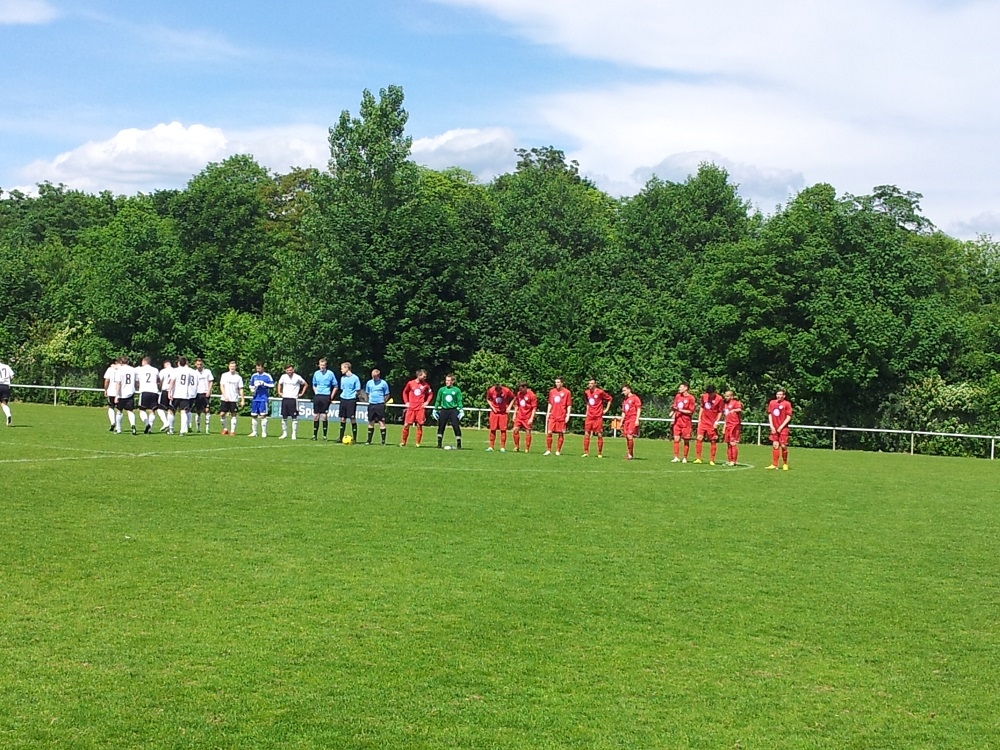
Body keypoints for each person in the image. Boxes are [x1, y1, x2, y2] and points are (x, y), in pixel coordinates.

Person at [400, 369, 433, 447]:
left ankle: (418, 443)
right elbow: (405, 392)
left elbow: (430, 394)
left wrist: (427, 402)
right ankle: (403, 442)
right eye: (424, 376)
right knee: (406, 425)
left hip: (420, 408)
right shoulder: (410, 383)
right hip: (411, 407)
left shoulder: (425, 385)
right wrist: (406, 402)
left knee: (419, 425)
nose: (425, 378)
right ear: (419, 375)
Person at [581, 378, 612, 458]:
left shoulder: (600, 392)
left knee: (599, 434)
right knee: (586, 433)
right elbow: (588, 402)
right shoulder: (586, 392)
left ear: (595, 384)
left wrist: (606, 409)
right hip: (589, 416)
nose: (590, 385)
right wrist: (587, 411)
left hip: (598, 416)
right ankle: (586, 452)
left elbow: (609, 399)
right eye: (589, 383)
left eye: (591, 383)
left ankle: (599, 453)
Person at [694, 384, 724, 465]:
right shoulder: (704, 396)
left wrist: (717, 422)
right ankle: (698, 458)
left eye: (711, 393)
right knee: (699, 438)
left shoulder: (719, 399)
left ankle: (712, 460)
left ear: (715, 392)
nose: (709, 395)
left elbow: (720, 411)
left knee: (713, 440)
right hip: (703, 421)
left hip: (712, 422)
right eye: (708, 393)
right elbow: (702, 407)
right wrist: (699, 418)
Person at [169, 356, 198, 436]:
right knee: (183, 412)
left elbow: (172, 382)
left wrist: (169, 392)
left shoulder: (175, 371)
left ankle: (171, 429)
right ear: (185, 363)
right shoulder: (188, 372)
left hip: (176, 394)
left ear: (178, 363)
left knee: (171, 411)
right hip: (185, 394)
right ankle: (182, 430)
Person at [433, 373, 464, 449]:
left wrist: (461, 410)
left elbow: (459, 400)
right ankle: (439, 443)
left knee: (455, 426)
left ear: (453, 381)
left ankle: (459, 443)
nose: (447, 382)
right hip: (444, 410)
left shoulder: (456, 390)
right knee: (441, 426)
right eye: (446, 380)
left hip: (453, 410)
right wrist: (435, 409)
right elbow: (438, 400)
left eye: (449, 380)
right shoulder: (442, 390)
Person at [277, 364, 308, 440]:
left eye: (290, 370)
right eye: (287, 370)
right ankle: (284, 433)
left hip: (293, 399)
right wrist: (279, 392)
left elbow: (305, 384)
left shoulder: (297, 377)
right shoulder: (283, 377)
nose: (289, 372)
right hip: (285, 398)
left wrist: (301, 393)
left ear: (293, 370)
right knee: (284, 417)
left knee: (294, 417)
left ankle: (294, 434)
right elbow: (279, 384)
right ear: (285, 371)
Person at [766, 388, 793, 470]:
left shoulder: (787, 404)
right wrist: (771, 426)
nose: (779, 396)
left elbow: (789, 417)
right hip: (774, 428)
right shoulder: (772, 402)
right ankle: (774, 464)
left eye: (780, 394)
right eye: (778, 394)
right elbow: (770, 414)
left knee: (783, 445)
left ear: (784, 396)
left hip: (783, 428)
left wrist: (781, 427)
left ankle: (785, 463)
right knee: (775, 445)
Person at [544, 377, 572, 456]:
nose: (557, 384)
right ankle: (548, 450)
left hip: (561, 416)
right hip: (553, 415)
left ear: (562, 383)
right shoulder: (552, 392)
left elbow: (569, 405)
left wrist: (568, 415)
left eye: (558, 382)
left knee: (560, 433)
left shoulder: (567, 392)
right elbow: (550, 403)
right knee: (549, 432)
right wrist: (548, 412)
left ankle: (558, 451)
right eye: (556, 382)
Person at [310, 358, 337, 441]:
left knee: (324, 416)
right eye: (321, 365)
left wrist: (331, 396)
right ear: (319, 365)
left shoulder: (330, 374)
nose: (322, 367)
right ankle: (314, 435)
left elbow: (335, 386)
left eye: (324, 365)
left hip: (326, 396)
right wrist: (316, 393)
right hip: (318, 396)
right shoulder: (316, 374)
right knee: (315, 416)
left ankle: (324, 435)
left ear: (326, 365)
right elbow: (314, 384)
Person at [112, 355, 139, 435]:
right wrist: (135, 388)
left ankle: (118, 428)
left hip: (121, 394)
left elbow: (118, 383)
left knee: (119, 411)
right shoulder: (133, 370)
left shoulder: (119, 371)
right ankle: (133, 426)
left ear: (120, 362)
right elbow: (136, 381)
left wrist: (116, 395)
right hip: (130, 392)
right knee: (130, 411)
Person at [336, 361, 362, 444]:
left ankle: (354, 438)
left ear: (347, 368)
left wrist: (353, 395)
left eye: (342, 368)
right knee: (342, 418)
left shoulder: (355, 378)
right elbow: (342, 388)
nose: (341, 370)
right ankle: (340, 437)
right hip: (343, 398)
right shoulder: (342, 378)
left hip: (351, 400)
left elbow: (358, 390)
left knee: (352, 418)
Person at [364, 368, 391, 446]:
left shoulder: (383, 383)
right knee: (371, 421)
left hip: (380, 404)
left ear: (378, 376)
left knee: (381, 422)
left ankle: (383, 441)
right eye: (372, 376)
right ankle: (369, 440)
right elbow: (367, 393)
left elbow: (387, 394)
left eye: (375, 376)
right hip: (372, 404)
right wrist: (370, 400)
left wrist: (383, 401)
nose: (373, 378)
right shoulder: (369, 383)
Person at [485, 382, 515, 452]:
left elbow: (513, 398)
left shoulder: (506, 391)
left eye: (498, 389)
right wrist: (492, 407)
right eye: (496, 389)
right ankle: (491, 446)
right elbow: (488, 399)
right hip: (494, 412)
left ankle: (502, 447)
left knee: (503, 430)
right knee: (492, 429)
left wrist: (509, 407)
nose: (497, 391)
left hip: (503, 413)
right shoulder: (491, 390)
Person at [248, 362, 275, 438]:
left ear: (262, 368)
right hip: (255, 398)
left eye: (259, 368)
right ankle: (254, 432)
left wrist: (264, 384)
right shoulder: (254, 376)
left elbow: (272, 385)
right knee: (254, 415)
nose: (258, 369)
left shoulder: (267, 376)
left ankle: (264, 432)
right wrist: (252, 389)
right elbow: (250, 385)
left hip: (263, 398)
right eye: (257, 368)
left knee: (263, 415)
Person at [217, 361, 245, 436]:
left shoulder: (238, 377)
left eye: (234, 366)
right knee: (222, 414)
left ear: (235, 367)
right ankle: (225, 429)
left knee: (234, 414)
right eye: (231, 366)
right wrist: (225, 395)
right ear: (228, 367)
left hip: (234, 399)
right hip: (225, 398)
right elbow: (221, 386)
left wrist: (242, 399)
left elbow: (241, 389)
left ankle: (232, 431)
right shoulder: (224, 375)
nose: (232, 367)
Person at [510, 381, 538, 453]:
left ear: (525, 387)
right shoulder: (519, 394)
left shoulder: (532, 395)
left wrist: (531, 418)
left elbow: (534, 408)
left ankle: (527, 448)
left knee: (528, 431)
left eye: (521, 389)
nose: (520, 391)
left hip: (527, 416)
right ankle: (516, 447)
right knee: (515, 430)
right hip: (519, 416)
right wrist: (514, 414)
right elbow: (517, 405)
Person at [135, 356, 160, 434]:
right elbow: (158, 381)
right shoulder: (155, 370)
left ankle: (147, 424)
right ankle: (150, 428)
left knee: (142, 409)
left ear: (144, 362)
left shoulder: (140, 369)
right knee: (152, 411)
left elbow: (136, 380)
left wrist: (137, 386)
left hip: (145, 391)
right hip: (154, 391)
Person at [671, 383, 695, 463]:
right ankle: (676, 457)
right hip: (677, 421)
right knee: (676, 439)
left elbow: (691, 411)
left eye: (681, 387)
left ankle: (685, 457)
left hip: (686, 422)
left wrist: (680, 410)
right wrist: (672, 415)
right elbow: (675, 407)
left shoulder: (691, 398)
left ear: (686, 388)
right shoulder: (678, 396)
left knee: (686, 440)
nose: (679, 388)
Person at [619, 384, 642, 460]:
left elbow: (638, 408)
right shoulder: (625, 400)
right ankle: (630, 453)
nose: (623, 392)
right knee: (627, 437)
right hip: (626, 420)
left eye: (624, 390)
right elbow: (623, 412)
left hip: (632, 418)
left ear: (629, 390)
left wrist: (637, 419)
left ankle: (630, 454)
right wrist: (621, 422)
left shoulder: (635, 398)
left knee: (630, 435)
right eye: (623, 391)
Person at [193, 358, 214, 433]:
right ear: (195, 364)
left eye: (200, 364)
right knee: (198, 411)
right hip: (197, 393)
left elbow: (211, 381)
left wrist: (209, 390)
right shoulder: (194, 373)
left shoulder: (207, 372)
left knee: (207, 410)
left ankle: (207, 428)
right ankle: (198, 428)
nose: (199, 366)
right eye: (198, 364)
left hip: (205, 393)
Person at [722, 390, 743, 466]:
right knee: (728, 443)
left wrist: (734, 410)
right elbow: (726, 417)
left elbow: (740, 409)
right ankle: (729, 460)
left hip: (734, 425)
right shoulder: (725, 405)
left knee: (732, 443)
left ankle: (734, 461)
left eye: (727, 396)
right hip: (728, 425)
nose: (726, 397)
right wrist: (724, 427)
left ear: (731, 396)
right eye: (725, 396)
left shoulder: (735, 402)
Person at [156, 359, 174, 433]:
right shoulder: (175, 370)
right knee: (171, 410)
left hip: (165, 391)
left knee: (160, 408)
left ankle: (166, 422)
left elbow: (160, 380)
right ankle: (171, 429)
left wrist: (159, 386)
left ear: (165, 365)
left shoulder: (163, 371)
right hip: (173, 392)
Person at [103, 358, 120, 432]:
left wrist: (105, 389)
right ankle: (118, 426)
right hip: (120, 393)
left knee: (111, 407)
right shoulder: (123, 369)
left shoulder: (110, 369)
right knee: (119, 410)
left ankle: (113, 422)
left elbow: (107, 380)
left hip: (111, 391)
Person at [0, 359, 14, 426]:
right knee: (4, 403)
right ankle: (8, 415)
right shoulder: (7, 366)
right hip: (5, 386)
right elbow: (12, 376)